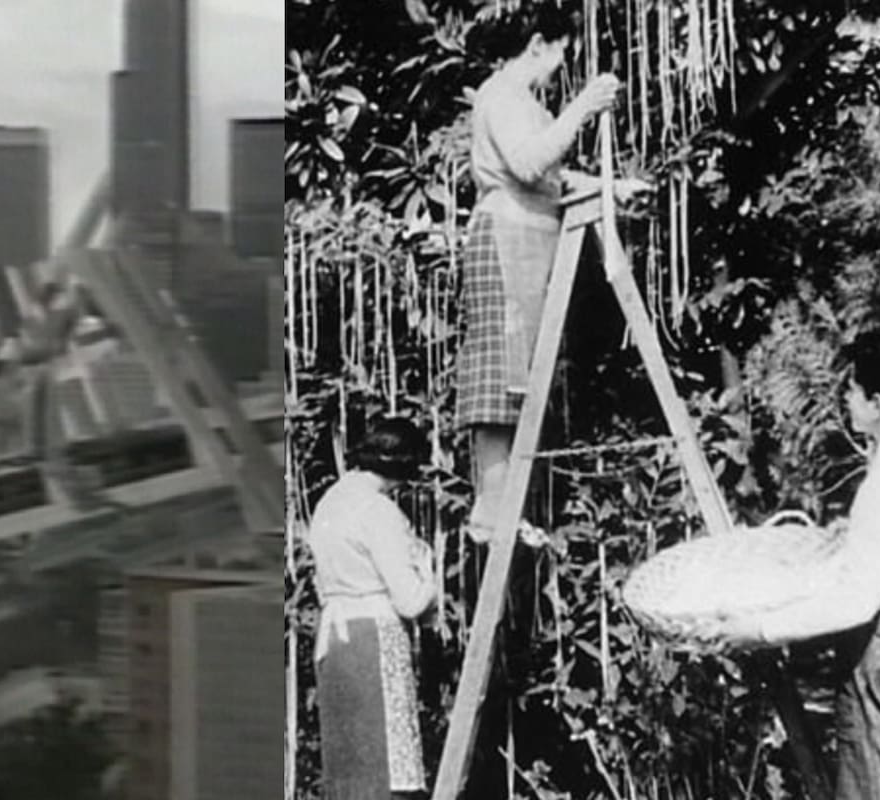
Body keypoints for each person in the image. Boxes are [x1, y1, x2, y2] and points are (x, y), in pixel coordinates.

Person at [458, 6, 647, 541]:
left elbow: (552, 178)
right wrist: (584, 106)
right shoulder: (500, 96)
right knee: (500, 380)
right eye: (561, 50)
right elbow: (526, 164)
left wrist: (612, 187)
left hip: (535, 240)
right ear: (538, 43)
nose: (562, 64)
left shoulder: (527, 105)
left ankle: (504, 506)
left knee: (523, 379)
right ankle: (488, 511)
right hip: (505, 238)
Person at [719, 329, 880, 798]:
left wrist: (759, 629)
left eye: (853, 392)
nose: (847, 402)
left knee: (873, 780)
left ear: (878, 403)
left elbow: (856, 601)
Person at [308, 417, 436, 800]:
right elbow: (410, 600)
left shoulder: (329, 502)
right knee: (388, 766)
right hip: (372, 640)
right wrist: (428, 568)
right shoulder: (377, 511)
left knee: (350, 770)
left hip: (334, 639)